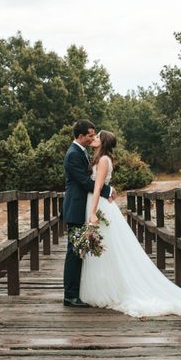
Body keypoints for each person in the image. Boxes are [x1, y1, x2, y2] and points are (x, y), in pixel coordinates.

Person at [79, 130, 181, 317]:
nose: (95, 139)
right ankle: (107, 285)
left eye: (98, 137)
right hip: (101, 204)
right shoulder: (104, 159)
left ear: (104, 142)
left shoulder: (102, 160)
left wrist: (92, 213)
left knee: (105, 247)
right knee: (106, 248)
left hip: (98, 205)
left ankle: (110, 289)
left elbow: (98, 187)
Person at [62, 119, 116, 307]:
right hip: (75, 208)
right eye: (90, 135)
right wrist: (107, 190)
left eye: (95, 135)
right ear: (80, 136)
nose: (93, 137)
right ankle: (70, 295)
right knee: (74, 251)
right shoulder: (73, 155)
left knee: (79, 250)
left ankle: (77, 292)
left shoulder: (82, 152)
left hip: (82, 207)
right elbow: (85, 182)